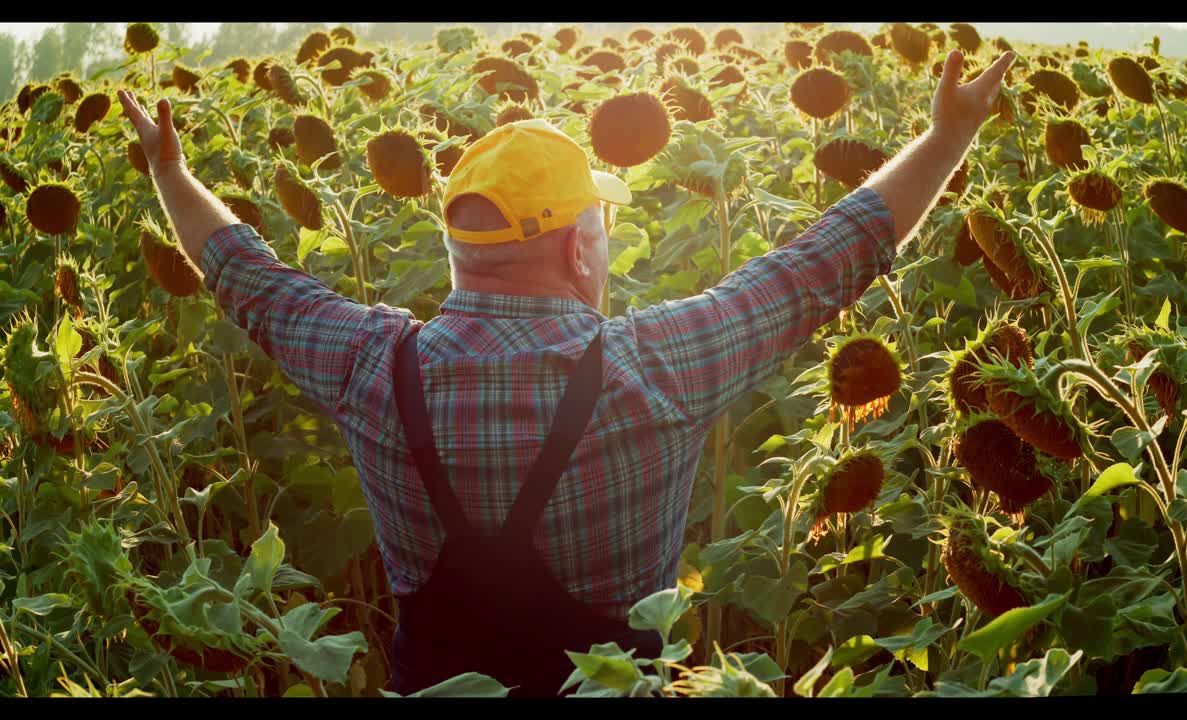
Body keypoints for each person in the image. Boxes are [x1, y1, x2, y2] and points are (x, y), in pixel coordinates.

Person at [118, 47, 1016, 697]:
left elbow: (246, 277)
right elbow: (824, 261)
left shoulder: (369, 366)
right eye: (603, 227)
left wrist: (170, 170)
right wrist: (946, 138)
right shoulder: (657, 366)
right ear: (581, 242)